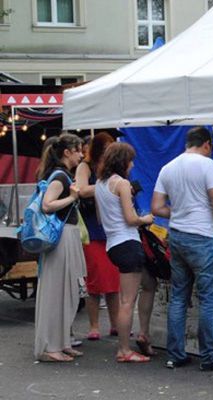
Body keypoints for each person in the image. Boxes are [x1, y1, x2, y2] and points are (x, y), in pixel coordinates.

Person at [151, 127, 213, 371]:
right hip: (201, 237)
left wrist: (180, 211)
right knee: (209, 300)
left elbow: (157, 207)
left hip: (177, 236)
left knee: (179, 297)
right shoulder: (207, 165)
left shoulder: (167, 168)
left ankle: (175, 354)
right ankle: (211, 356)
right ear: (207, 145)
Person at [95, 143, 156, 363]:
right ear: (123, 161)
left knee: (150, 284)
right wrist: (146, 219)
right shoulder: (122, 183)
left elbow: (101, 219)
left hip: (113, 243)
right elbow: (131, 219)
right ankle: (123, 349)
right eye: (130, 161)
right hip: (128, 243)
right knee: (127, 301)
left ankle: (143, 333)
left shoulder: (100, 184)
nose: (132, 165)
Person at [34, 133, 86, 362]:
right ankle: (50, 345)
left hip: (66, 235)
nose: (82, 154)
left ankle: (61, 341)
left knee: (66, 290)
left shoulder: (62, 175)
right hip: (62, 236)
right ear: (67, 152)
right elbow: (47, 205)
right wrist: (72, 198)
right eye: (78, 150)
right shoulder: (60, 177)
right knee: (58, 291)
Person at [75, 132, 120, 340]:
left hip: (111, 228)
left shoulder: (112, 169)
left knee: (114, 281)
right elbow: (82, 190)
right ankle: (94, 326)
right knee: (94, 280)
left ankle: (116, 323)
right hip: (92, 228)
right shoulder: (85, 167)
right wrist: (106, 188)